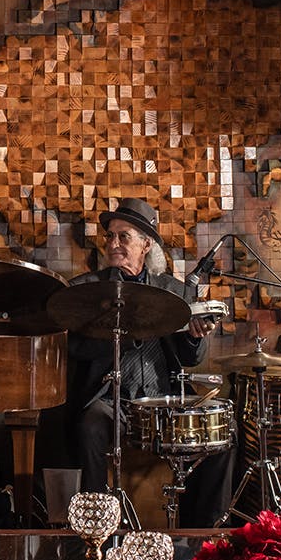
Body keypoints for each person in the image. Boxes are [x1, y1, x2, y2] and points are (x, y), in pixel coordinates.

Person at [67, 197, 233, 527]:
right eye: (110, 236)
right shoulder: (84, 291)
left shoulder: (171, 291)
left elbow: (189, 358)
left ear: (146, 245)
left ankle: (204, 532)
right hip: (112, 403)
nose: (113, 243)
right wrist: (127, 333)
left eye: (123, 236)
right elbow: (74, 348)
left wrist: (194, 336)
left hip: (163, 406)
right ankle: (95, 530)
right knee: (89, 424)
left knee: (224, 429)